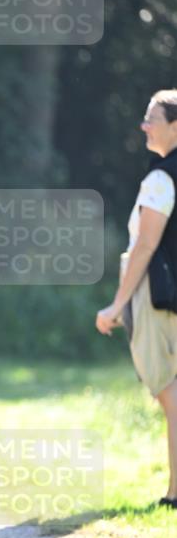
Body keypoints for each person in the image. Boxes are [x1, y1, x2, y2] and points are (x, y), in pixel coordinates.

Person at [96, 89, 177, 508]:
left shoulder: (162, 178)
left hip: (159, 297)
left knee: (168, 390)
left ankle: (175, 491)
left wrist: (116, 305)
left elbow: (144, 247)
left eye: (152, 118)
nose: (144, 125)